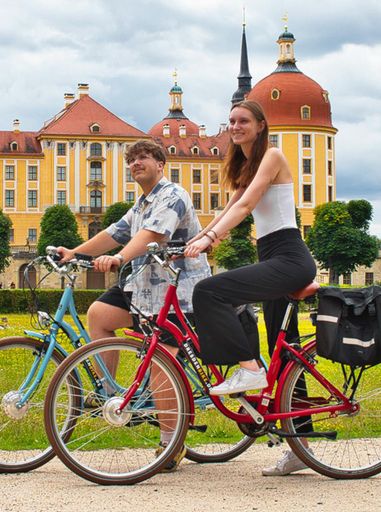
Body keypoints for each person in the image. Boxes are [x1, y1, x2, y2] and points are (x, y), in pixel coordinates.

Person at [57, 139, 210, 472]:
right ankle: (109, 394)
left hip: (177, 293)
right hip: (142, 289)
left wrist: (118, 258)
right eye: (131, 160)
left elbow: (151, 237)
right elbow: (114, 233)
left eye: (143, 157)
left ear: (160, 165)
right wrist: (76, 253)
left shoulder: (173, 195)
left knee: (161, 363)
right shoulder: (140, 203)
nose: (136, 163)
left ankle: (171, 443)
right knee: (99, 314)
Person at [184, 100, 317, 476]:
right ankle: (299, 446)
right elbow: (228, 209)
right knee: (287, 356)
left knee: (210, 292)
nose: (235, 126)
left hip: (289, 257)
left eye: (243, 121)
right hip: (271, 257)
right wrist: (191, 243)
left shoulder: (272, 156)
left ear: (261, 125)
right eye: (231, 122)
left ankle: (248, 368)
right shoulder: (242, 164)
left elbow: (246, 205)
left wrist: (209, 238)